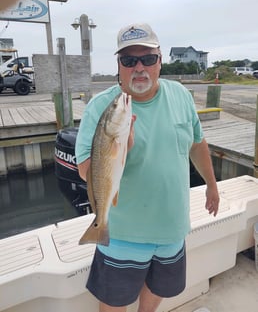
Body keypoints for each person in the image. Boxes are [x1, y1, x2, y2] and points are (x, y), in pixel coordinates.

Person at [75, 23, 220, 312]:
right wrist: (120, 148)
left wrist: (212, 186)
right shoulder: (102, 107)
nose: (139, 67)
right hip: (121, 235)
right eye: (129, 60)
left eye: (148, 58)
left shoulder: (180, 95)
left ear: (160, 61)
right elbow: (85, 170)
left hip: (172, 229)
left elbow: (196, 143)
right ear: (118, 64)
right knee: (115, 303)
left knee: (157, 292)